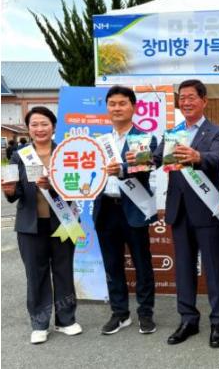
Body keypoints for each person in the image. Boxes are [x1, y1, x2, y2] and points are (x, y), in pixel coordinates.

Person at [153, 79, 219, 347]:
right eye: (182, 98)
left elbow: (216, 158)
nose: (185, 102)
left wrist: (197, 156)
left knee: (214, 268)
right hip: (179, 210)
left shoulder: (218, 131)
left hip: (208, 210)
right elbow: (156, 158)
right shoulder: (172, 133)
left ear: (204, 101)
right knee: (184, 268)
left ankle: (218, 321)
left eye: (191, 97)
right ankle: (188, 319)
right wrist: (134, 162)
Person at [2, 107, 81, 344]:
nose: (39, 129)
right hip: (30, 225)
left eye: (44, 124)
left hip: (63, 221)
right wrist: (9, 191)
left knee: (64, 270)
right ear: (28, 129)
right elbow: (15, 192)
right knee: (35, 274)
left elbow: (76, 186)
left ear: (53, 126)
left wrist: (52, 187)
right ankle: (39, 323)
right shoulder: (20, 155)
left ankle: (66, 320)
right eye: (34, 124)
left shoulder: (66, 152)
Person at [93, 86, 157, 335]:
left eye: (122, 103)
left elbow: (142, 170)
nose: (117, 108)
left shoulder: (144, 138)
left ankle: (145, 313)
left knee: (142, 263)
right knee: (112, 264)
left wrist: (121, 170)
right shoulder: (99, 142)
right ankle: (120, 313)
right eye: (112, 104)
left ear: (134, 107)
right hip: (106, 209)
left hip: (134, 207)